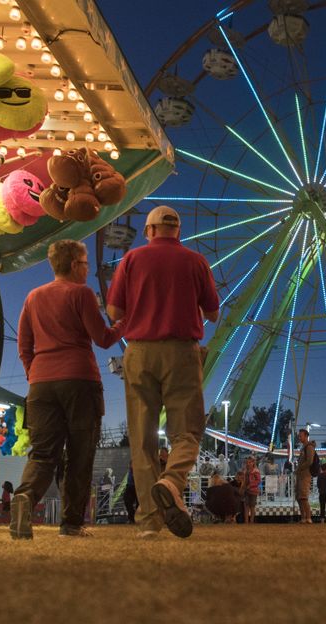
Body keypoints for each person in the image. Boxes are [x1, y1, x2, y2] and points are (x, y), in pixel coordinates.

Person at [107, 205, 220, 540]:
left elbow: (114, 310)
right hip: (182, 351)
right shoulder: (196, 261)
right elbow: (213, 314)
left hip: (139, 351)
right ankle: (171, 481)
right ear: (178, 231)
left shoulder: (131, 260)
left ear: (149, 230)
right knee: (186, 432)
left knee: (142, 441)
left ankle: (149, 523)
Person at [12, 240, 122, 540]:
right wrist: (123, 326)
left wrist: (35, 374)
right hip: (79, 380)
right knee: (79, 454)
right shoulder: (82, 293)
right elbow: (102, 338)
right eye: (86, 263)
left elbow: (24, 345)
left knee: (43, 453)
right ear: (74, 264)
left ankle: (24, 497)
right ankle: (71, 523)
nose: (88, 269)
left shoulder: (33, 297)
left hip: (41, 384)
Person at [295, 428, 316, 523]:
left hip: (305, 475)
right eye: (299, 436)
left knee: (303, 497)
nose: (299, 437)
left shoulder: (309, 447)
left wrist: (300, 468)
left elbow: (310, 461)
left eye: (301, 436)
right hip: (300, 475)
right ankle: (303, 517)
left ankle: (308, 517)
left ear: (306, 436)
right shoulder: (303, 448)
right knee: (299, 497)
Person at [238, 456, 261, 524]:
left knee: (251, 506)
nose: (248, 463)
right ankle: (247, 521)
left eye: (249, 462)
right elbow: (244, 481)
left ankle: (250, 521)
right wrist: (242, 488)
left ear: (253, 463)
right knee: (247, 506)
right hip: (247, 490)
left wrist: (249, 486)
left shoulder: (255, 471)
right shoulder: (246, 471)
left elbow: (258, 481)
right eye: (247, 462)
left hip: (253, 491)